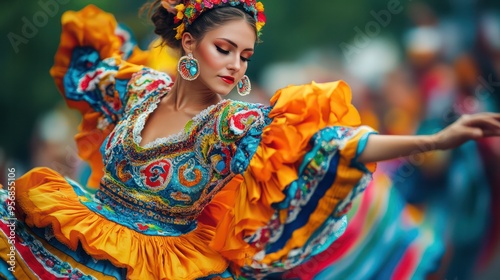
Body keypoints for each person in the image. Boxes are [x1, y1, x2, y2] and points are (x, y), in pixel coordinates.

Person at [1, 1, 500, 279]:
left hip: (158, 268)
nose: (236, 65)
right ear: (190, 43)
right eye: (224, 49)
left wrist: (431, 141)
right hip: (82, 232)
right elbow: (92, 64)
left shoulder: (232, 125)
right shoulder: (139, 88)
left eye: (245, 54)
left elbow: (331, 145)